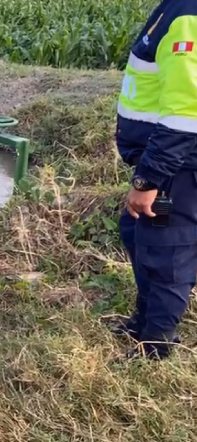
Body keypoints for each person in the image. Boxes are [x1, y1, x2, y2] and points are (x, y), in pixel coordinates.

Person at [115, 0, 197, 360]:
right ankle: (143, 322)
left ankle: (156, 346)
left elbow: (185, 114)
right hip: (167, 161)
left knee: (168, 254)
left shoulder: (189, 15)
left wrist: (148, 180)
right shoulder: (175, 7)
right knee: (135, 232)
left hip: (177, 166)